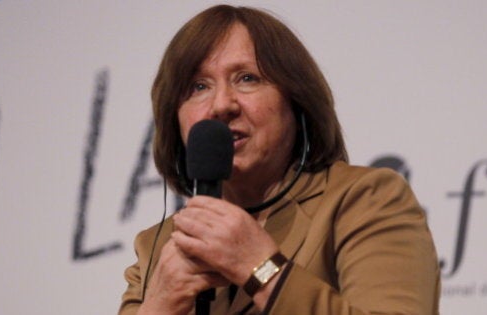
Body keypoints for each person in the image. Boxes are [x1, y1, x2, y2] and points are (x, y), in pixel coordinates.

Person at [119, 5, 440, 315]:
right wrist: (160, 305)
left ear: (296, 100)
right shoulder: (156, 247)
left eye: (247, 78)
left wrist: (260, 269)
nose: (221, 105)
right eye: (198, 86)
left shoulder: (364, 200)